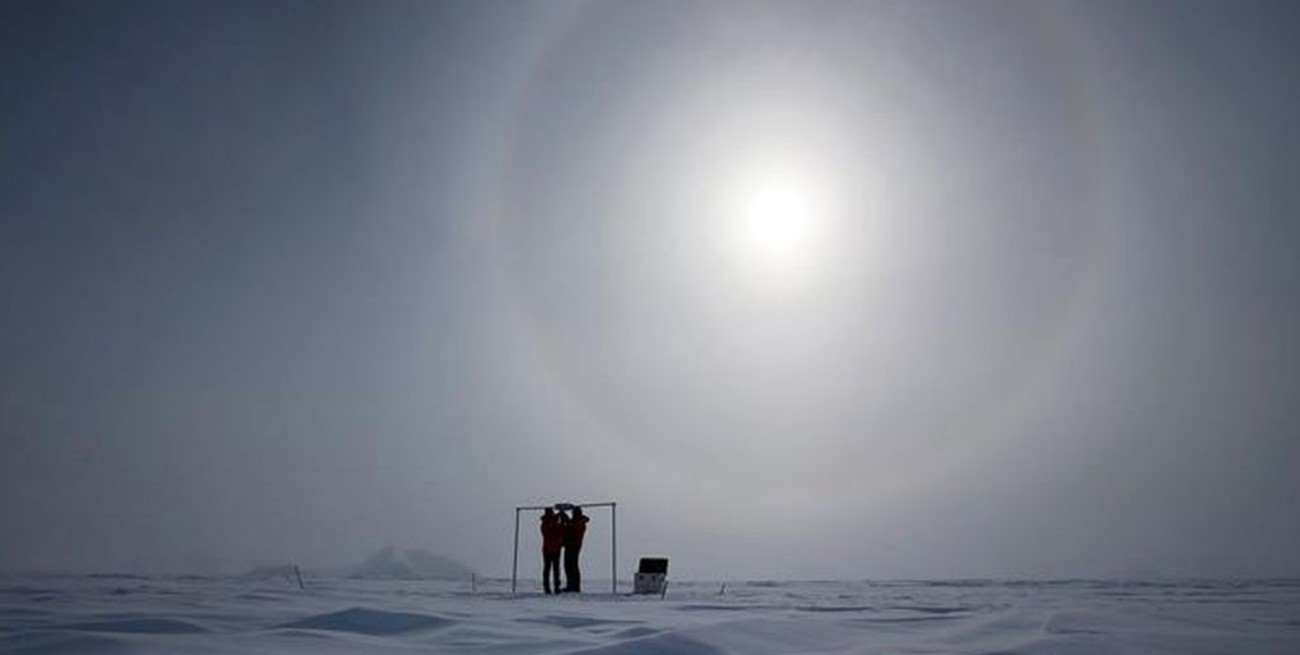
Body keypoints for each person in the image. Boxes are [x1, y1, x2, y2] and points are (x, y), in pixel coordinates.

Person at [562, 506, 590, 593]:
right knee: (568, 566)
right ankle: (571, 585)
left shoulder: (580, 522)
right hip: (569, 545)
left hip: (574, 545)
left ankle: (575, 586)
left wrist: (566, 520)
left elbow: (573, 529)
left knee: (573, 566)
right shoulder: (576, 521)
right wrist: (565, 520)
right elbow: (568, 529)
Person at [539, 507, 564, 594]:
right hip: (552, 549)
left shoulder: (544, 523)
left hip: (550, 548)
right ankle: (553, 587)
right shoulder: (548, 524)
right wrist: (559, 518)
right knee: (552, 569)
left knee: (549, 568)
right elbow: (557, 530)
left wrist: (558, 517)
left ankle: (551, 587)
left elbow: (558, 530)